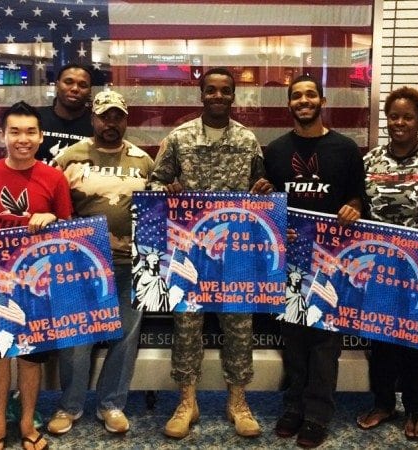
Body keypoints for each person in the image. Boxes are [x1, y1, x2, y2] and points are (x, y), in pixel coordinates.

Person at [149, 67, 273, 439]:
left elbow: (260, 187)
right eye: (211, 90)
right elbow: (154, 182)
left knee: (239, 325)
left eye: (225, 91)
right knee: (187, 327)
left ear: (233, 97)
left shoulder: (248, 140)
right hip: (190, 253)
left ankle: (238, 401)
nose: (218, 96)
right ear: (201, 94)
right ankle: (187, 401)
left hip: (236, 254)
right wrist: (165, 193)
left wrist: (264, 190)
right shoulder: (180, 138)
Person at [263, 74, 367, 448]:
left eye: (310, 95)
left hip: (333, 260)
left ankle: (318, 414)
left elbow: (358, 198)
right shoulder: (274, 151)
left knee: (325, 342)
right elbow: (267, 209)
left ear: (322, 101)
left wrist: (353, 208)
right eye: (296, 96)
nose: (303, 101)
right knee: (293, 339)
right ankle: (292, 407)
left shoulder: (345, 148)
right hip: (291, 260)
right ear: (289, 104)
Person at [46, 90, 154, 435]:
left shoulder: (143, 160)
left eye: (117, 116)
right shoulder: (67, 158)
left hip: (129, 263)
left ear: (126, 119)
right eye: (104, 116)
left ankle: (112, 405)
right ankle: (70, 406)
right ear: (93, 119)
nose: (111, 123)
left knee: (125, 336)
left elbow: (156, 208)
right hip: (81, 263)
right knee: (77, 336)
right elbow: (50, 203)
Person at [355, 87, 418, 441]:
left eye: (407, 117)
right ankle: (383, 402)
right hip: (379, 264)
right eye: (394, 116)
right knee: (380, 335)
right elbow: (359, 206)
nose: (399, 123)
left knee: (416, 336)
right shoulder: (370, 160)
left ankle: (415, 407)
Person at [0, 101, 73, 450]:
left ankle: (27, 424)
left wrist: (52, 220)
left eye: (30, 132)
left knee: (30, 358)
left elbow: (68, 232)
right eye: (15, 131)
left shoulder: (55, 178)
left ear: (41, 137)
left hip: (38, 283)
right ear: (3, 135)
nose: (23, 139)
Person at [36, 63, 94, 163]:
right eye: (68, 82)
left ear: (89, 91)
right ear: (57, 85)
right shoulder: (36, 118)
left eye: (83, 85)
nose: (75, 88)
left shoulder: (97, 123)